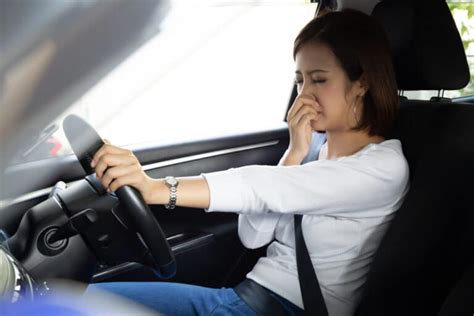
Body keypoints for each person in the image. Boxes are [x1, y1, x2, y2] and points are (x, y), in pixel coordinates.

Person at [87, 9, 410, 316]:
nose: (304, 95)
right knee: (83, 300)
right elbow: (253, 236)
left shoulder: (383, 168)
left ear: (362, 84)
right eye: (300, 80)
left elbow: (261, 188)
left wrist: (157, 189)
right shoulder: (317, 152)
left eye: (319, 80)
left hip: (288, 309)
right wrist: (295, 153)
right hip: (243, 300)